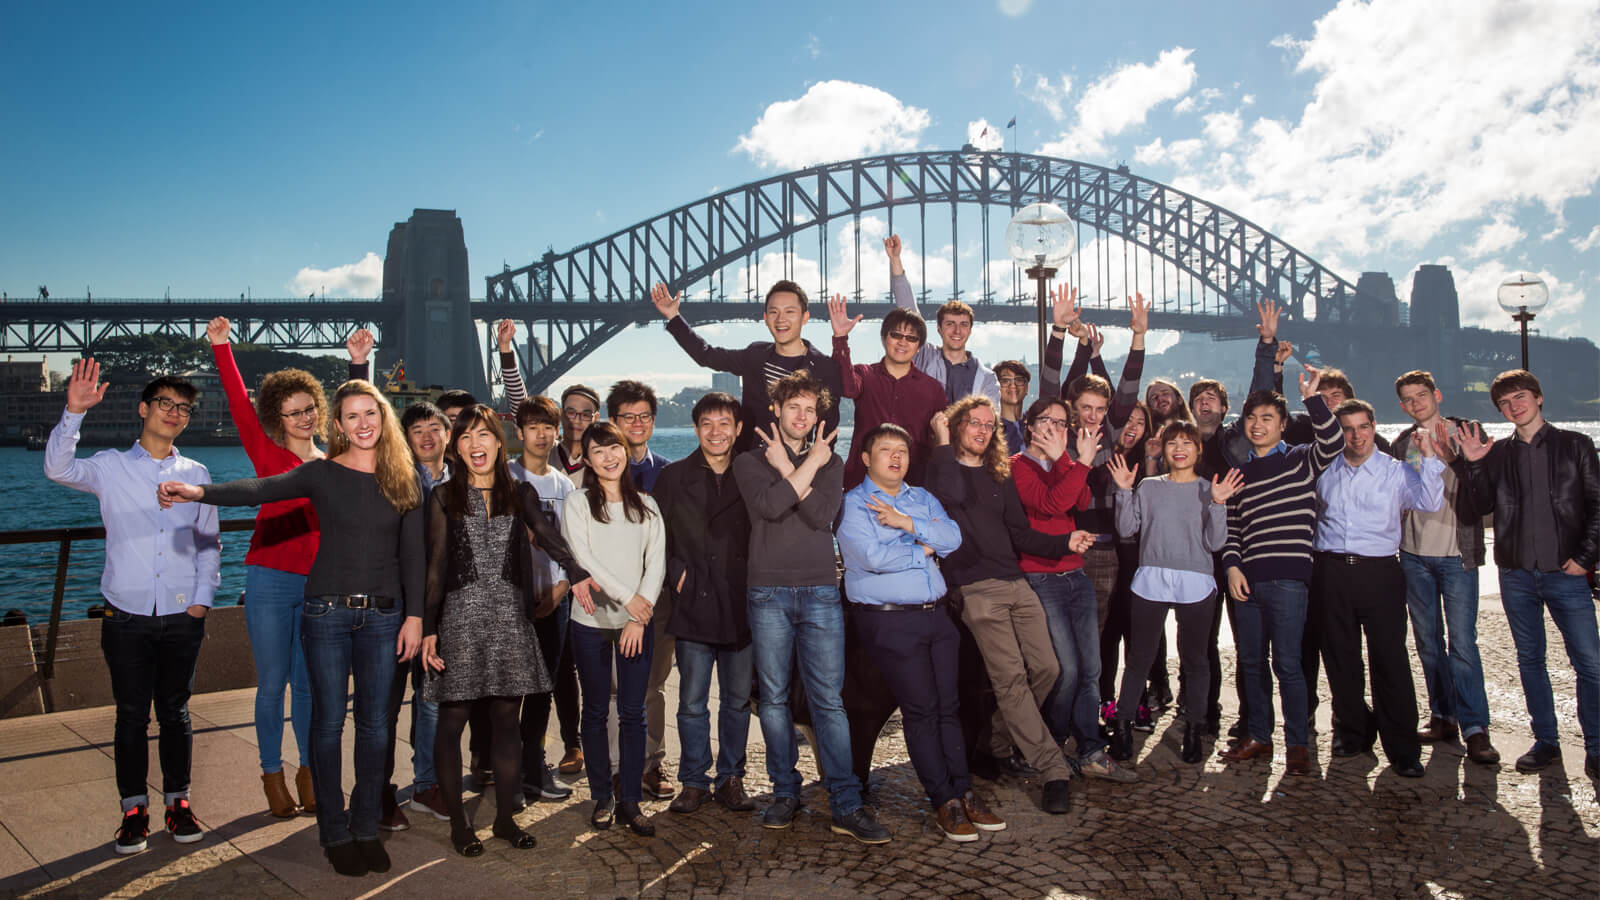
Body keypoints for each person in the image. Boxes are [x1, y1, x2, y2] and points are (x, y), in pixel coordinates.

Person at [158, 379, 424, 878]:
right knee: (327, 723)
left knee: (375, 726)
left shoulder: (404, 479)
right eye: (352, 416)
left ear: (383, 417)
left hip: (386, 616)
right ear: (338, 426)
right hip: (325, 612)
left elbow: (413, 554)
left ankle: (367, 826)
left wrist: (414, 617)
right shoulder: (320, 473)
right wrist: (198, 491)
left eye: (371, 413)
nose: (363, 423)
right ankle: (335, 831)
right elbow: (260, 488)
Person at [45, 361, 219, 856]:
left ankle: (178, 803)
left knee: (176, 712)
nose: (174, 413)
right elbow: (58, 469)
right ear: (144, 409)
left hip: (183, 614)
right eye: (164, 403)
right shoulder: (109, 467)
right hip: (125, 614)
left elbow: (209, 541)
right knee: (129, 716)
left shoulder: (197, 473)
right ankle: (134, 810)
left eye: (183, 408)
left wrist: (203, 601)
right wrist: (73, 413)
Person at [204, 316, 369, 818]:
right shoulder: (266, 453)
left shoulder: (336, 457)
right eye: (291, 411)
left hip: (320, 585)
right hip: (270, 580)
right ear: (277, 417)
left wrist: (359, 362)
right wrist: (221, 347)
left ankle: (308, 772)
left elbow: (364, 415)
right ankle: (272, 773)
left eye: (309, 408)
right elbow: (237, 402)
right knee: (273, 682)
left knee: (312, 687)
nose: (302, 417)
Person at [927, 396, 1116, 815]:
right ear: (956, 427)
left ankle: (994, 742)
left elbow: (1019, 533)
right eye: (971, 423)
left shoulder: (1000, 475)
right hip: (974, 588)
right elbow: (953, 495)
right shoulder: (941, 470)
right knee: (1011, 677)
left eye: (987, 424)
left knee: (1048, 668)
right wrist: (942, 444)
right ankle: (1052, 769)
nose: (980, 430)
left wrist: (1061, 542)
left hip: (1016, 580)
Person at [419, 404, 589, 857]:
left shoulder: (520, 494)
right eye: (466, 437)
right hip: (459, 620)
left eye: (483, 436)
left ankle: (504, 821)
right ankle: (459, 823)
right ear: (457, 447)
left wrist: (576, 571)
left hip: (511, 620)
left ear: (498, 441)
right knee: (452, 722)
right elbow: (434, 570)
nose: (475, 445)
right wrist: (430, 629)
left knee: (507, 725)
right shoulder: (442, 497)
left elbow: (548, 537)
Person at [732, 369, 891, 844]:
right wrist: (791, 468)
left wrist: (798, 468)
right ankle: (786, 793)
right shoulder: (749, 461)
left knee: (828, 701)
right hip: (768, 592)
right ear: (776, 411)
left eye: (810, 410)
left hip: (822, 590)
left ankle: (846, 802)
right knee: (776, 700)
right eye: (793, 407)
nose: (802, 417)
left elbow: (822, 515)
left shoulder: (832, 460)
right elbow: (773, 506)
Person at [838, 423, 985, 841]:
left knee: (948, 707)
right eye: (885, 449)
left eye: (901, 449)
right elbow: (871, 558)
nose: (896, 456)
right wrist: (922, 544)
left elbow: (953, 537)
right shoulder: (854, 505)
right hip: (890, 620)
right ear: (866, 458)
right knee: (920, 710)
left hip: (937, 615)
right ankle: (944, 801)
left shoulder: (920, 498)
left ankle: (964, 791)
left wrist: (905, 523)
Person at [1457, 370, 1599, 779]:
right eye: (1505, 402)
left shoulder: (1576, 445)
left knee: (1590, 664)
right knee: (1530, 661)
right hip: (1517, 573)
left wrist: (1586, 557)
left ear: (1538, 398)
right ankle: (1547, 742)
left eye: (1520, 397)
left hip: (1568, 573)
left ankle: (1596, 747)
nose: (1514, 406)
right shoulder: (1498, 453)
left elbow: (1597, 505)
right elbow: (1477, 508)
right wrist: (1474, 465)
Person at [1308, 397, 1443, 779]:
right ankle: (1353, 733)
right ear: (1340, 433)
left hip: (1381, 573)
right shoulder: (1325, 470)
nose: (1356, 435)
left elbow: (1430, 500)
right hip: (1331, 571)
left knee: (1390, 661)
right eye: (1347, 428)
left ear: (1374, 427)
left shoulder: (1397, 470)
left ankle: (1403, 749)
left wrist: (1428, 456)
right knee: (1340, 658)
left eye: (1363, 427)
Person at [1218, 372, 1343, 778]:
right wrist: (1232, 566)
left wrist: (1314, 400)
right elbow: (1233, 528)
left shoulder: (1302, 459)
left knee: (1288, 664)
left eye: (1267, 417)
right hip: (1247, 580)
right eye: (1251, 417)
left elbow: (1334, 442)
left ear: (1283, 424)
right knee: (1250, 662)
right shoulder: (1240, 473)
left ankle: (1297, 744)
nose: (1257, 425)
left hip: (1289, 579)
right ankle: (1258, 735)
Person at [1107, 420, 1241, 764]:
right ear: (1163, 450)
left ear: (1198, 449)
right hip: (1151, 576)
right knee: (1139, 658)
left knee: (1195, 659)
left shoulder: (1207, 488)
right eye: (1172, 443)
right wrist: (1123, 490)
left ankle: (1195, 729)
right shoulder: (1149, 487)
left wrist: (1218, 504)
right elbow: (1126, 530)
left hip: (1195, 579)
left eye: (1187, 442)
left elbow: (1215, 543)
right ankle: (1121, 726)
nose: (1179, 448)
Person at [653, 393, 757, 815]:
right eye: (707, 424)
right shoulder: (673, 477)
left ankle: (731, 778)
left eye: (724, 424)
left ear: (738, 429)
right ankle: (693, 781)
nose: (716, 432)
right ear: (696, 430)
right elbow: (654, 536)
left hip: (740, 603)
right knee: (692, 701)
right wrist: (674, 570)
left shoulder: (753, 474)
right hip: (693, 600)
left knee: (735, 701)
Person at [561, 422, 666, 837]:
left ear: (627, 450)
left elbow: (655, 563)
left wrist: (639, 616)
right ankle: (602, 795)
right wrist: (629, 601)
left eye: (615, 447)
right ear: (586, 459)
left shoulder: (648, 504)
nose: (609, 456)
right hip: (590, 624)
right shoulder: (577, 503)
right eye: (598, 451)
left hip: (637, 626)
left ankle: (631, 803)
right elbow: (584, 558)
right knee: (596, 710)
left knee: (633, 713)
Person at [1390, 370, 1499, 765]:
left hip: (1457, 555)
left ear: (1437, 394)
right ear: (1403, 406)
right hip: (1414, 555)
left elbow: (1486, 492)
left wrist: (1453, 458)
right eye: (1409, 399)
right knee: (1428, 643)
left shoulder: (1466, 431)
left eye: (1422, 395)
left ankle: (1476, 729)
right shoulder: (1402, 442)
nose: (1417, 403)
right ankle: (1442, 716)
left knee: (1463, 645)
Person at [1011, 397, 1115, 771]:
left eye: (1061, 422)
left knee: (1091, 669)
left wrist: (1066, 461)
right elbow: (1051, 505)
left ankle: (1091, 749)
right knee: (1065, 669)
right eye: (1046, 420)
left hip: (1077, 573)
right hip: (1041, 577)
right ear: (1029, 425)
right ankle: (1050, 746)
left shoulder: (1063, 463)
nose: (1054, 428)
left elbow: (1082, 499)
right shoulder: (1015, 467)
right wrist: (1078, 462)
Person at [653, 280, 842, 453]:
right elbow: (706, 355)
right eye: (774, 312)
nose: (780, 319)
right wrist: (673, 316)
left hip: (796, 466)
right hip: (747, 462)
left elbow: (828, 432)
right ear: (766, 318)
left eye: (790, 312)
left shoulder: (825, 368)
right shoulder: (754, 354)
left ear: (805, 317)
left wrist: (816, 472)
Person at [507, 395, 579, 804]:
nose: (541, 434)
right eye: (532, 426)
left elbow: (575, 547)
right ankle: (509, 770)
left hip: (556, 598)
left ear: (557, 433)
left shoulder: (564, 485)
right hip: (511, 601)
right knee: (508, 691)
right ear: (519, 433)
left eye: (547, 427)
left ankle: (534, 767)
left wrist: (560, 589)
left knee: (543, 687)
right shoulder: (504, 477)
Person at [606, 379, 676, 800]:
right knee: (616, 686)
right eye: (627, 417)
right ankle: (617, 768)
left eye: (644, 416)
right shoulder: (599, 472)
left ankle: (652, 764)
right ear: (613, 421)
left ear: (653, 421)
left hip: (659, 597)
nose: (636, 424)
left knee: (653, 683)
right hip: (613, 599)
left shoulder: (668, 472)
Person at [393, 401, 450, 825]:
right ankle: (376, 789)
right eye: (417, 430)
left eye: (435, 427)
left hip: (444, 608)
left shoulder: (466, 479)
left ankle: (427, 783)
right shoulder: (393, 480)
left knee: (431, 699)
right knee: (385, 703)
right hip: (397, 605)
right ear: (406, 438)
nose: (427, 436)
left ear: (448, 434)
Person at [828, 294, 947, 489]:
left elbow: (940, 440)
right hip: (860, 484)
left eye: (911, 338)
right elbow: (847, 387)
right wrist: (840, 338)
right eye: (896, 335)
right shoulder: (864, 374)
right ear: (884, 338)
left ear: (919, 347)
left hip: (912, 489)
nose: (903, 342)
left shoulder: (933, 389)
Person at [884, 234, 1001, 405]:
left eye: (963, 325)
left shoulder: (987, 379)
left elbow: (991, 423)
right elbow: (908, 308)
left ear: (970, 330)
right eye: (950, 324)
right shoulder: (924, 357)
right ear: (939, 328)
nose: (957, 331)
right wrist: (895, 259)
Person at [555, 384, 601, 487]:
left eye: (586, 415)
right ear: (561, 414)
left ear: (596, 418)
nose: (577, 420)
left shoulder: (604, 461)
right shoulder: (545, 452)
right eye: (571, 413)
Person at [994, 360, 1031, 451]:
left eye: (1019, 380)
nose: (1013, 385)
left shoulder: (1035, 426)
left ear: (1027, 388)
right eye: (1005, 381)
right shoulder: (992, 429)